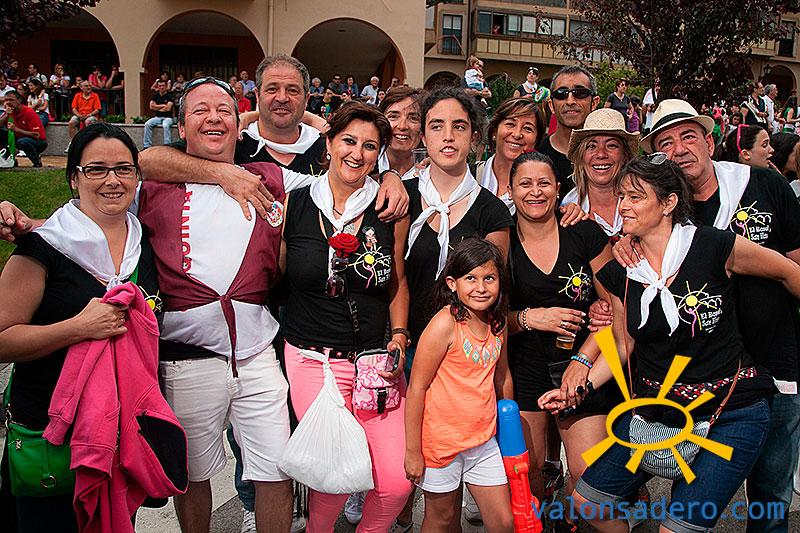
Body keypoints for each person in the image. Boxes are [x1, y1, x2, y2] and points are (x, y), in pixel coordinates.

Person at [541, 154, 800, 533]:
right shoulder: (622, 270)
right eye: (622, 197)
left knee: (676, 528)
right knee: (587, 501)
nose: (623, 206)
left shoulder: (714, 246)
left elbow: (787, 271)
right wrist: (577, 388)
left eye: (635, 197)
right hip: (659, 414)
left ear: (668, 203)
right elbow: (623, 344)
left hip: (731, 411)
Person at [615, 99, 800, 532]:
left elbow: (793, 263)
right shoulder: (669, 213)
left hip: (776, 358)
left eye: (688, 136)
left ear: (710, 141)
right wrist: (626, 241)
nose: (679, 149)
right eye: (665, 143)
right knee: (693, 495)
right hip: (713, 377)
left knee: (771, 491)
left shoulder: (761, 184)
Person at [0, 123, 160, 533]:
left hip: (119, 433)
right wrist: (78, 327)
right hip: (52, 433)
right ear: (74, 178)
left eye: (123, 169)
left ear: (137, 177)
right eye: (96, 169)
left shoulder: (144, 244)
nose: (112, 180)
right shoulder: (43, 247)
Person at [281, 101, 412, 532]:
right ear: (329, 143)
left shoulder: (389, 207)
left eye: (370, 146)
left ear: (379, 155)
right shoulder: (296, 202)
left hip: (374, 360)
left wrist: (399, 334)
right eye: (349, 141)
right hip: (312, 359)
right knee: (334, 474)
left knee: (395, 482)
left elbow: (396, 280)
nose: (357, 153)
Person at [507, 152, 616, 523]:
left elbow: (615, 307)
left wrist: (583, 360)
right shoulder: (502, 239)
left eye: (544, 183)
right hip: (525, 367)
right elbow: (486, 318)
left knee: (587, 473)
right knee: (529, 470)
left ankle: (569, 516)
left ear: (558, 188)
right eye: (525, 184)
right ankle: (544, 519)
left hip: (582, 364)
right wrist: (530, 318)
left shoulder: (582, 232)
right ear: (511, 191)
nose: (535, 192)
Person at [405, 237, 514, 532]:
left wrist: (510, 431)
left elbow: (502, 376)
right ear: (453, 283)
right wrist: (413, 451)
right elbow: (416, 387)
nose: (481, 287)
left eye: (489, 278)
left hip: (483, 441)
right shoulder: (445, 324)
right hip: (442, 445)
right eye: (471, 278)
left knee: (504, 521)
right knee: (442, 520)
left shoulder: (498, 322)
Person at [562, 108, 638, 238]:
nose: (601, 154)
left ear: (625, 155)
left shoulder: (645, 204)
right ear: (582, 156)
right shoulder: (566, 209)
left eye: (611, 145)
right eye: (591, 146)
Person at [538, 65, 601, 193]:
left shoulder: (607, 158)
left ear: (594, 103)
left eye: (580, 93)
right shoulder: (537, 154)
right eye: (561, 94)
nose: (570, 101)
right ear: (551, 105)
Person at [477, 97, 545, 213]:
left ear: (536, 140)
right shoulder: (469, 178)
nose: (517, 134)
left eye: (527, 128)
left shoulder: (541, 193)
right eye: (510, 124)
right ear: (494, 132)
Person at [377, 86, 424, 181]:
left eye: (413, 118)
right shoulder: (364, 162)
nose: (402, 126)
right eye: (393, 116)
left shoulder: (434, 171)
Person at [0, 90, 47, 167]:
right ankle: (10, 160)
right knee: (1, 133)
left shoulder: (28, 112)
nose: (8, 102)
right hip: (19, 138)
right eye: (6, 100)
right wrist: (6, 116)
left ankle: (37, 162)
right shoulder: (9, 112)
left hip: (38, 142)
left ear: (19, 100)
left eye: (11, 100)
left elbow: (37, 135)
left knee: (23, 141)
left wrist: (16, 129)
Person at [67, 81, 101, 151]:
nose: (89, 87)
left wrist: (88, 115)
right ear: (81, 88)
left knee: (88, 122)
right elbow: (74, 108)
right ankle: (73, 143)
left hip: (91, 115)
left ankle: (87, 143)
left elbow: (97, 109)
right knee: (71, 122)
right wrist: (78, 115)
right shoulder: (77, 95)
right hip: (79, 114)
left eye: (89, 86)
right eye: (86, 86)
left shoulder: (95, 96)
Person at [142, 79, 174, 149]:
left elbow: (168, 108)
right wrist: (163, 105)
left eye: (163, 86)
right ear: (158, 87)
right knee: (147, 124)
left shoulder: (169, 96)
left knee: (165, 125)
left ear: (166, 86)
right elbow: (151, 107)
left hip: (168, 118)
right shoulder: (155, 96)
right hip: (157, 117)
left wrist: (156, 107)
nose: (161, 87)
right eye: (160, 86)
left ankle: (167, 145)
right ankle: (146, 145)